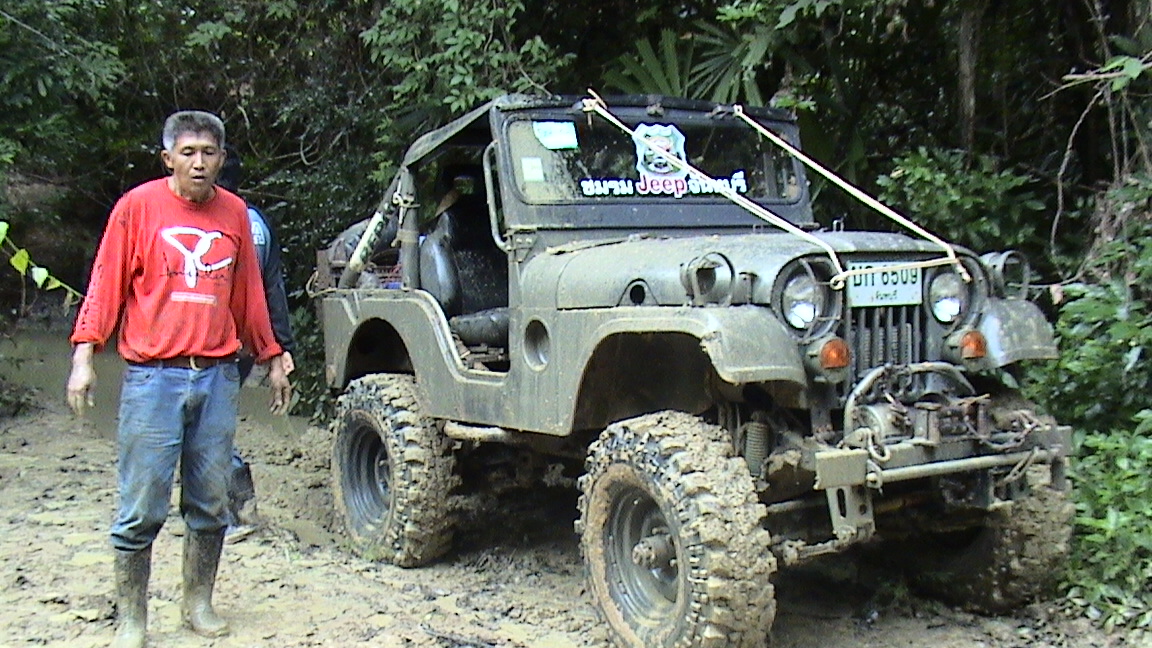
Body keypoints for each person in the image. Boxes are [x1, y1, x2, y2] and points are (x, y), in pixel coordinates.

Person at [66, 110, 292, 648]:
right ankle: (132, 618)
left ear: (222, 159)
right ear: (168, 158)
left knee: (210, 502)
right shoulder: (137, 207)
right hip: (153, 378)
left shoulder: (234, 213)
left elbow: (248, 294)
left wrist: (273, 354)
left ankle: (198, 603)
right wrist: (83, 355)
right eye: (187, 153)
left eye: (209, 153)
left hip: (216, 378)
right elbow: (106, 283)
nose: (198, 163)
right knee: (141, 505)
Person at [214, 150, 296, 542]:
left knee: (204, 426)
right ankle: (232, 501)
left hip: (211, 342)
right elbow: (272, 287)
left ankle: (232, 506)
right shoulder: (258, 223)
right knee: (215, 421)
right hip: (246, 344)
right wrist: (281, 346)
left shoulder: (216, 221)